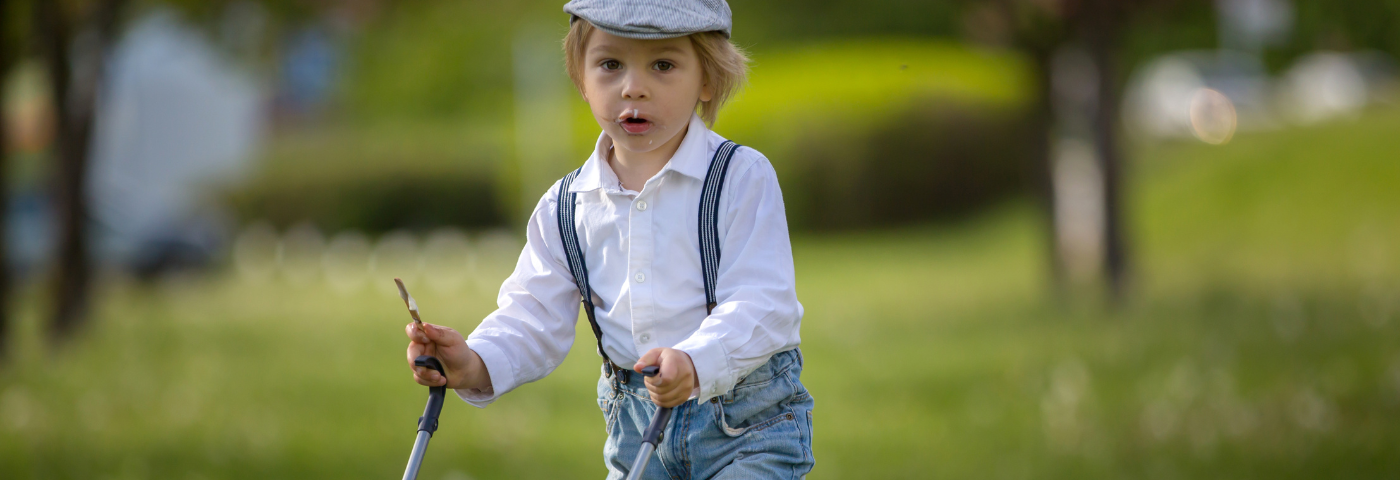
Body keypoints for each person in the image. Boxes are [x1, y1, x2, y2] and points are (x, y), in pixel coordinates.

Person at [404, 1, 813, 477]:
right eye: (610, 64)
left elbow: (764, 301)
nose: (632, 87)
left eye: (663, 65)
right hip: (636, 429)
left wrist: (696, 361)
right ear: (581, 78)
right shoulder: (566, 206)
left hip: (745, 428)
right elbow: (532, 314)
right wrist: (474, 363)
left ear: (707, 78)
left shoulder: (739, 178)